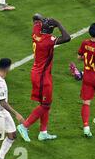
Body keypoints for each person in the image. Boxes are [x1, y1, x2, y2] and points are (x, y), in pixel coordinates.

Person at [17, 14, 71, 142]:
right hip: (42, 76)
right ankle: (24, 126)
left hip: (37, 73)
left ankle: (43, 132)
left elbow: (35, 16)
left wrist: (43, 20)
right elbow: (67, 38)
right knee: (46, 105)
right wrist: (58, 23)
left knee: (44, 103)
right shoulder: (48, 40)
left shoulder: (36, 32)